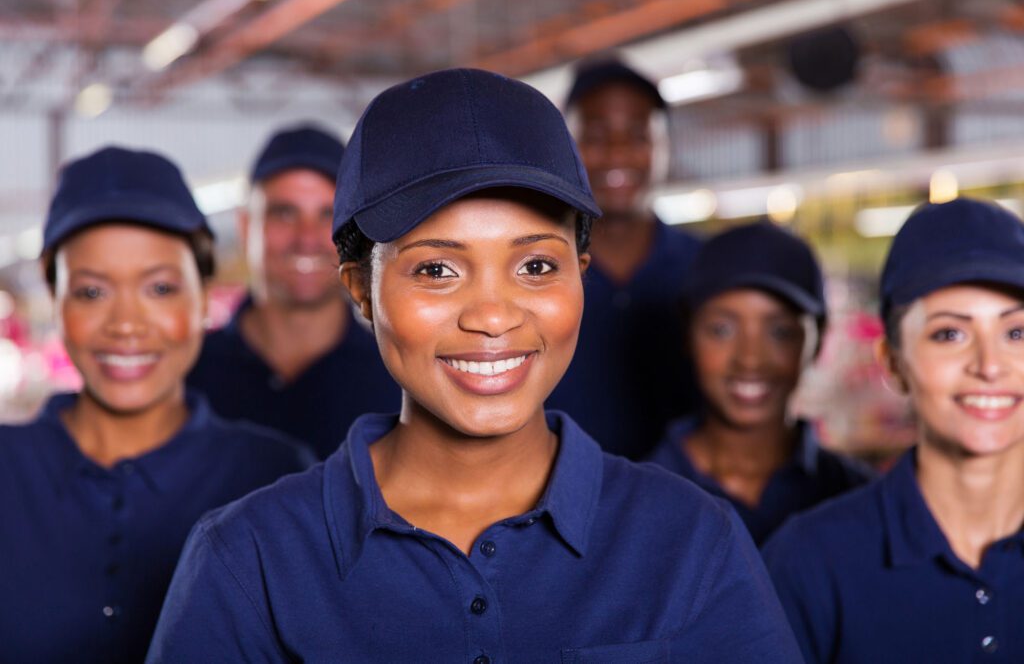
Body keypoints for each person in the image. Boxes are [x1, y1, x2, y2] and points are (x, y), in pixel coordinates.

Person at [147, 68, 802, 663]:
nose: (492, 316)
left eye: (536, 266)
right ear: (359, 288)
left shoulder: (690, 541)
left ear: (581, 274)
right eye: (437, 270)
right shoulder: (249, 560)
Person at [0, 147, 312, 664]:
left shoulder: (276, 476)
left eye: (160, 288)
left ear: (202, 297)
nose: (126, 324)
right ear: (55, 300)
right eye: (92, 292)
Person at [763, 197, 1024, 663]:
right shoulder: (810, 562)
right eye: (950, 334)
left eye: (1016, 333)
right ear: (893, 362)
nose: (989, 366)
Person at [648, 222, 872, 544]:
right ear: (687, 334)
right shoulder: (636, 501)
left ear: (819, 340)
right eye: (721, 330)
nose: (750, 359)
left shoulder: (858, 495)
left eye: (780, 332)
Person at [187, 125, 400, 458]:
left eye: (328, 215)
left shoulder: (397, 380)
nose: (307, 238)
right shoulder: (185, 374)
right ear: (246, 227)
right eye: (284, 213)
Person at [546, 58, 702, 458]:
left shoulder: (706, 271)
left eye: (638, 135)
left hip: (685, 509)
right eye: (595, 136)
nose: (617, 152)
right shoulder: (531, 273)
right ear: (567, 148)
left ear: (664, 148)